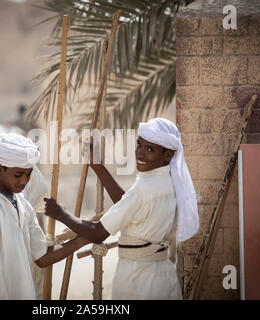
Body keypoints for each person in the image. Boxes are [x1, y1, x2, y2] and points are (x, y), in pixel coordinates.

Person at [44, 117, 199, 299]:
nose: (140, 154)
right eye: (139, 145)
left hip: (137, 278)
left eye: (150, 149)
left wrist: (60, 213)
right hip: (162, 273)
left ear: (168, 155)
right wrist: (98, 166)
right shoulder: (170, 182)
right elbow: (128, 204)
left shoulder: (145, 188)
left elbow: (98, 233)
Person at [0, 132, 90, 299]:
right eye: (18, 175)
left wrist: (83, 239)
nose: (24, 181)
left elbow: (42, 256)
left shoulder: (24, 207)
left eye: (28, 175)